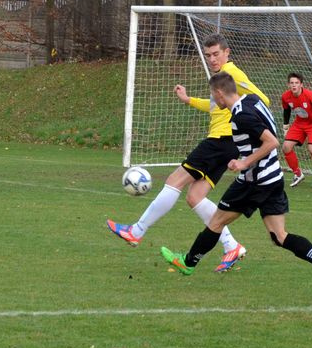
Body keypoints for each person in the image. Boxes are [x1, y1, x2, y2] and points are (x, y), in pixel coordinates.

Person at [159, 72, 312, 295]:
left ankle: (188, 262)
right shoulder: (252, 100)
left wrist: (244, 162)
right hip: (273, 177)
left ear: (219, 93)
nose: (213, 100)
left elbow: (272, 142)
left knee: (216, 222)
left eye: (213, 95)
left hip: (254, 181)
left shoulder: (241, 116)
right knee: (279, 236)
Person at [107, 34, 270, 272]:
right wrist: (188, 100)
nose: (212, 59)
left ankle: (136, 231)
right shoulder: (222, 78)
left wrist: (242, 118)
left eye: (216, 54)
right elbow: (215, 105)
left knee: (175, 180)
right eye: (208, 55)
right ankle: (232, 246)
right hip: (227, 144)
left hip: (221, 140)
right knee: (195, 197)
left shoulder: (233, 73)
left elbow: (262, 99)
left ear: (227, 52)